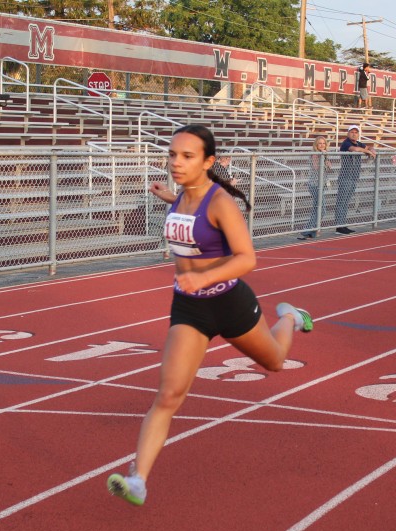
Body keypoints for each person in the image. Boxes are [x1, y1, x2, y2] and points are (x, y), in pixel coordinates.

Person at [106, 125, 313, 507]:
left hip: (228, 302)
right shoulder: (182, 197)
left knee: (275, 362)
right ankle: (138, 479)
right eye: (172, 154)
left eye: (187, 156)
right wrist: (168, 197)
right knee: (169, 394)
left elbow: (247, 258)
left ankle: (290, 318)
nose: (176, 162)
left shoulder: (221, 203)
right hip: (190, 308)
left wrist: (203, 278)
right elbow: (191, 219)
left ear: (208, 162)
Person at [334, 125, 375, 234]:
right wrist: (367, 151)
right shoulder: (346, 143)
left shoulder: (359, 143)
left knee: (346, 202)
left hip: (354, 177)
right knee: (341, 202)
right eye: (352, 132)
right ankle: (339, 226)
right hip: (346, 176)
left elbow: (369, 147)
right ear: (348, 133)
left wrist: (371, 150)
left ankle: (343, 224)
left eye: (356, 132)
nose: (354, 134)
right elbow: (354, 149)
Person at [300, 135, 334, 239]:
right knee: (322, 210)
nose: (322, 145)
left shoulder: (324, 155)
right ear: (316, 145)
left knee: (316, 209)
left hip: (321, 185)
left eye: (324, 143)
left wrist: (325, 157)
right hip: (315, 185)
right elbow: (316, 167)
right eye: (320, 143)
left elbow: (330, 168)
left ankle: (312, 231)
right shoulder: (315, 154)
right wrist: (322, 157)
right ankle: (307, 229)